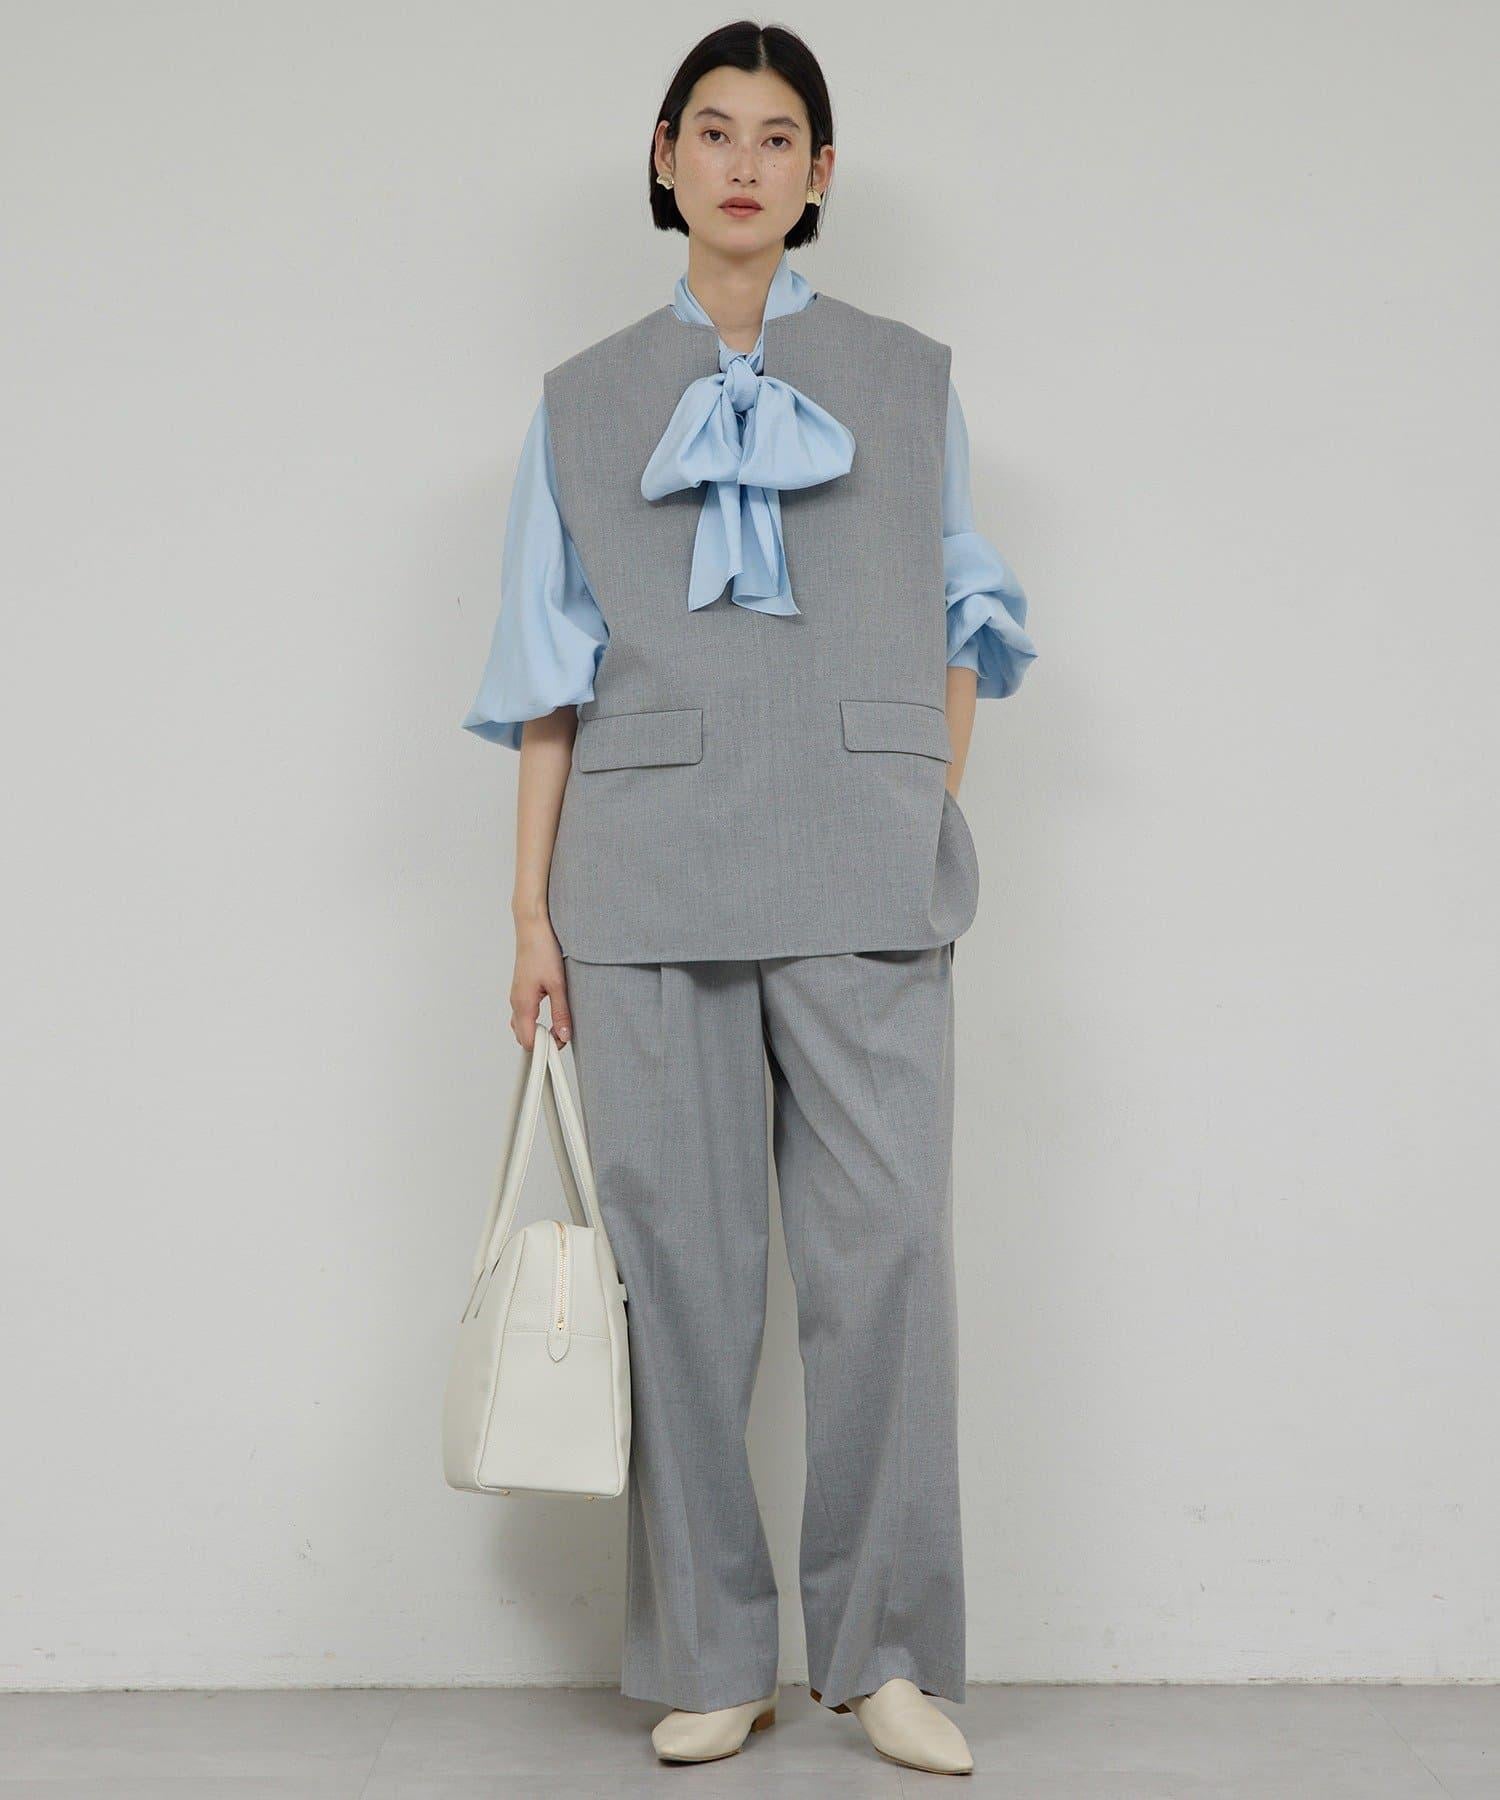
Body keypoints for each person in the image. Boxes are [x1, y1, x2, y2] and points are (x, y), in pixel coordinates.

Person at [460, 21, 1036, 1777]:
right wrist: (529, 913)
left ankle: (890, 1654)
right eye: (713, 131)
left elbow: (967, 617)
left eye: (778, 137)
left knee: (892, 1260)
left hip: (864, 872)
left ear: (819, 175)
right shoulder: (579, 400)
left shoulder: (910, 378)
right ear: (664, 157)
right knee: (681, 1280)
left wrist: (917, 796)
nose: (743, 163)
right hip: (641, 884)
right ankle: (715, 1651)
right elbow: (545, 676)